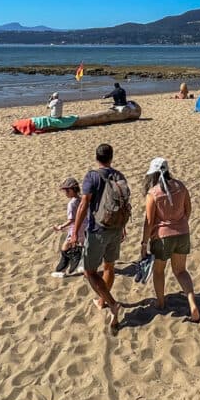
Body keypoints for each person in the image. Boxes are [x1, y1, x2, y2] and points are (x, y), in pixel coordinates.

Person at [69, 143, 130, 334]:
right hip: (116, 227)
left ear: (96, 158)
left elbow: (84, 204)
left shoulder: (92, 176)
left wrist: (75, 231)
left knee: (89, 271)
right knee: (109, 266)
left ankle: (112, 304)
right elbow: (124, 204)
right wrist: (123, 226)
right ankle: (102, 300)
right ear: (111, 157)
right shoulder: (119, 176)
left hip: (98, 229)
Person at [139, 157, 200, 322]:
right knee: (181, 271)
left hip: (162, 237)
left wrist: (144, 243)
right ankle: (192, 303)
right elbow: (188, 209)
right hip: (182, 233)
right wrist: (181, 223)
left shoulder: (153, 193)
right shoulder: (180, 186)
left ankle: (160, 303)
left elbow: (149, 221)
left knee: (159, 271)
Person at [51, 178, 84, 277]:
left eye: (66, 191)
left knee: (65, 247)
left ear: (72, 190)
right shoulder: (82, 199)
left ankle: (61, 271)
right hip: (85, 228)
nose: (65, 193)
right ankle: (81, 265)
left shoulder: (72, 203)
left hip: (76, 229)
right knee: (82, 246)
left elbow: (72, 220)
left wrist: (61, 227)